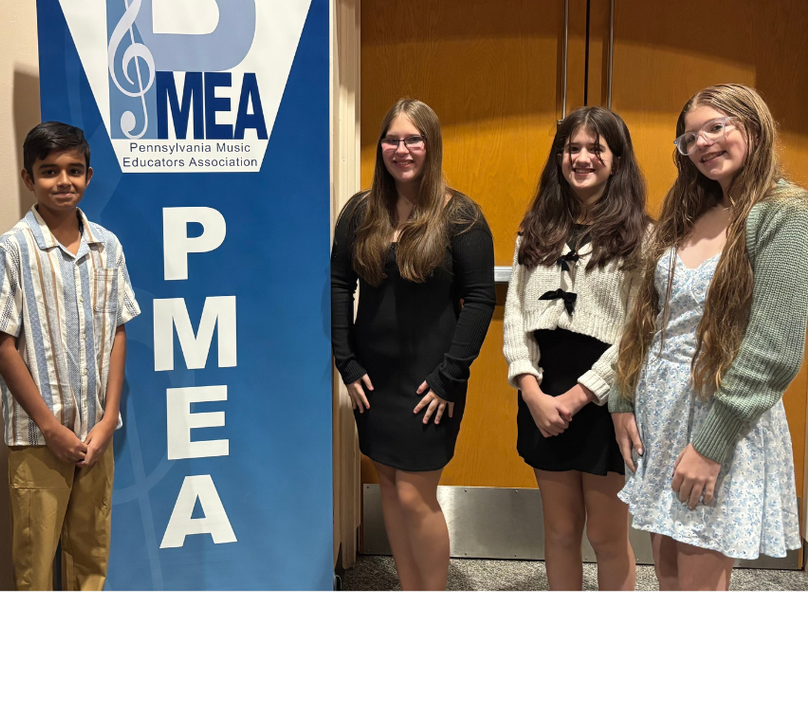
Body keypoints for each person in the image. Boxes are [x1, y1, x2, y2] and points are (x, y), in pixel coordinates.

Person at [612, 84, 807, 591]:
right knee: (671, 578)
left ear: (753, 126)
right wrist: (622, 398)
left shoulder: (785, 213)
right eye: (690, 138)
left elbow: (775, 349)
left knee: (699, 590)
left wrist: (711, 444)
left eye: (717, 128)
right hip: (661, 413)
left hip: (718, 418)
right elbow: (645, 320)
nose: (703, 144)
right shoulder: (688, 212)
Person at [331, 99, 495, 590]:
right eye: (392, 140)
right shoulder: (360, 211)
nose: (401, 150)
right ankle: (410, 590)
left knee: (414, 497)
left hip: (431, 380)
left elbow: (481, 299)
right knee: (388, 487)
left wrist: (451, 375)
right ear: (381, 147)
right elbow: (340, 284)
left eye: (413, 140)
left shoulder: (461, 216)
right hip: (372, 380)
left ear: (431, 145)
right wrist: (346, 361)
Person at [0, 121, 139, 591]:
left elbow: (118, 330)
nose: (63, 181)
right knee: (35, 561)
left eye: (74, 170)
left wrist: (110, 417)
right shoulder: (13, 249)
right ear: (29, 178)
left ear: (89, 175)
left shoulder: (106, 246)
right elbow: (2, 345)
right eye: (49, 171)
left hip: (95, 433)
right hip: (37, 438)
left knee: (91, 554)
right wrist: (51, 427)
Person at [505, 107, 647, 591]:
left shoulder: (640, 238)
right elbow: (516, 314)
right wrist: (530, 389)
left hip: (606, 401)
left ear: (616, 159)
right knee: (560, 531)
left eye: (595, 148)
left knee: (607, 536)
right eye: (572, 148)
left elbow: (637, 333)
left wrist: (580, 395)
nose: (582, 158)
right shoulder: (537, 228)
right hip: (543, 396)